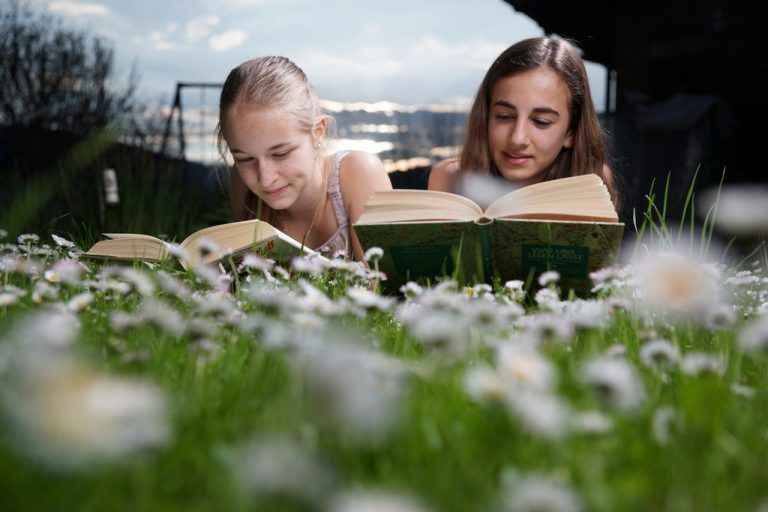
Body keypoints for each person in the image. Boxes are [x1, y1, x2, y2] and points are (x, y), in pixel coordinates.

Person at [217, 56, 392, 261]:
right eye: (244, 159)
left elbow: (381, 287)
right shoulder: (244, 186)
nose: (265, 179)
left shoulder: (360, 174)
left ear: (317, 132)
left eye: (280, 154)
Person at [428, 37, 619, 206]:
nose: (517, 139)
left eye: (541, 121)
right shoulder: (450, 178)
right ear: (485, 117)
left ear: (571, 132)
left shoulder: (592, 183)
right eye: (504, 117)